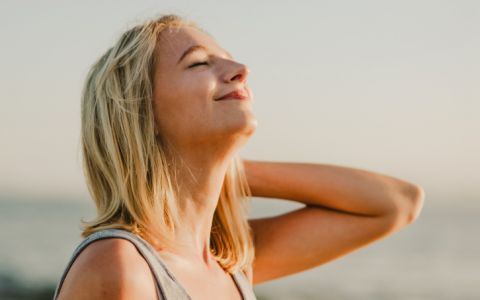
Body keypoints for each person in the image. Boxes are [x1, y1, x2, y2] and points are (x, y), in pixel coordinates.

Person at [53, 13, 425, 300]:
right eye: (199, 63)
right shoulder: (120, 266)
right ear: (141, 112)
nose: (241, 71)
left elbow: (397, 203)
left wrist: (219, 170)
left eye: (229, 60)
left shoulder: (230, 262)